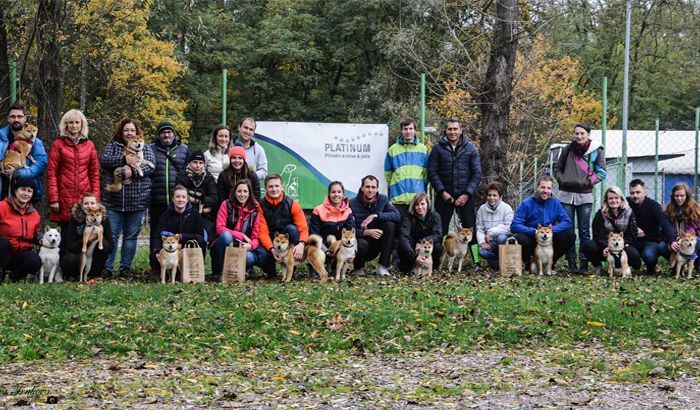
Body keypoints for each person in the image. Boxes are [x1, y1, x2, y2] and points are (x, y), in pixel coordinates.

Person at [101, 119, 155, 277]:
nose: (129, 133)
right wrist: (123, 160)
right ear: (121, 131)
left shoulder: (146, 147)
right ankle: (107, 268)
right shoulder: (113, 145)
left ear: (137, 133)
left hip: (137, 200)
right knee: (111, 235)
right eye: (126, 130)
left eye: (132, 130)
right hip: (114, 200)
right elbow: (104, 161)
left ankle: (125, 268)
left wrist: (134, 172)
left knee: (131, 237)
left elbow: (152, 164)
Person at [554, 122, 607, 274]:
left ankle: (584, 263)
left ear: (588, 134)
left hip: (585, 196)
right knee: (568, 230)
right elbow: (556, 168)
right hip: (566, 195)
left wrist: (587, 182)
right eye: (576, 133)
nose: (579, 136)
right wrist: (562, 180)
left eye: (582, 133)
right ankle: (571, 262)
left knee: (584, 231)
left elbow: (602, 173)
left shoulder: (596, 151)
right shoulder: (567, 149)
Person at [46, 109, 101, 236]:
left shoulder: (89, 145)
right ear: (66, 124)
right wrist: (54, 198)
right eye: (71, 122)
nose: (74, 125)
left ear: (82, 124)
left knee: (83, 237)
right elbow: (51, 172)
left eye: (77, 122)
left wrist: (95, 199)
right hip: (64, 196)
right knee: (65, 236)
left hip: (84, 198)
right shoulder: (58, 144)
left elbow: (94, 174)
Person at [428, 117, 482, 237]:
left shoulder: (471, 149)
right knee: (439, 231)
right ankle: (438, 256)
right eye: (450, 129)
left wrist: (467, 194)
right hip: (444, 197)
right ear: (445, 130)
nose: (453, 132)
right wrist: (442, 192)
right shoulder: (437, 149)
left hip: (465, 198)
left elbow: (477, 173)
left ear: (461, 130)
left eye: (455, 129)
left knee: (471, 233)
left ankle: (475, 256)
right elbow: (432, 172)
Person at [149, 119, 190, 271]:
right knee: (156, 234)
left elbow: (188, 172)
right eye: (163, 132)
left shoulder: (184, 149)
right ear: (159, 134)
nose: (167, 135)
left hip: (177, 202)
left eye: (169, 132)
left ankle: (179, 266)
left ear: (174, 134)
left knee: (177, 234)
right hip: (157, 199)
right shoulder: (150, 149)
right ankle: (155, 264)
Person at [511, 176, 576, 269]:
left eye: (548, 188)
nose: (545, 191)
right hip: (532, 238)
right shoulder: (526, 203)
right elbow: (514, 225)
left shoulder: (556, 203)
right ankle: (529, 263)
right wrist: (533, 231)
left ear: (551, 190)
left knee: (569, 234)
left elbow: (567, 222)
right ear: (537, 187)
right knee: (520, 239)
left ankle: (550, 262)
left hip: (549, 239)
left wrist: (551, 230)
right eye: (543, 187)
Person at [255, 173, 308, 278]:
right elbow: (262, 232)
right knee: (261, 254)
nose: (274, 189)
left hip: (288, 240)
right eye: (270, 186)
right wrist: (272, 249)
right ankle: (271, 273)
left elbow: (303, 227)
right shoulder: (260, 206)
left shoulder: (292, 203)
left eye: (277, 186)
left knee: (291, 229)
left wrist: (301, 244)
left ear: (282, 187)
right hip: (271, 240)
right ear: (265, 189)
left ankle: (291, 271)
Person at [349, 175, 401, 276]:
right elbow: (348, 229)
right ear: (362, 188)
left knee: (390, 225)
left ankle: (383, 266)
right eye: (367, 187)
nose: (370, 190)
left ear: (377, 189)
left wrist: (375, 216)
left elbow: (397, 216)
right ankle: (358, 268)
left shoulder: (384, 199)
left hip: (378, 242)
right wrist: (365, 232)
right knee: (358, 241)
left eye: (373, 187)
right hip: (362, 244)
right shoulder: (352, 204)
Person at [581, 186, 641, 275]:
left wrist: (619, 247)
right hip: (605, 247)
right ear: (606, 200)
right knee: (588, 245)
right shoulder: (600, 213)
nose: (614, 201)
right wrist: (607, 247)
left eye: (616, 198)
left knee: (634, 255)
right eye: (611, 198)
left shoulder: (629, 212)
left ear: (621, 199)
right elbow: (598, 234)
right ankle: (598, 266)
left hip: (622, 246)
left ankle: (625, 267)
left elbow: (632, 234)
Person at [212, 179, 261, 278]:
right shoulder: (226, 204)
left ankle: (243, 270)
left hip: (242, 246)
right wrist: (241, 235)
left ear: (249, 193)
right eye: (239, 191)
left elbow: (255, 237)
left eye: (245, 191)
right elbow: (219, 228)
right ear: (234, 192)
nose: (242, 194)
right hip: (224, 244)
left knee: (250, 258)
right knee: (226, 236)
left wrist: (250, 246)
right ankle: (223, 271)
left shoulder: (255, 210)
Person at [0, 103, 48, 202]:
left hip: (25, 192)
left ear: (25, 119)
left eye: (19, 116)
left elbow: (41, 164)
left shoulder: (35, 142)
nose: (16, 119)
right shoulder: (0, 138)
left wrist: (19, 173)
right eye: (13, 116)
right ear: (8, 119)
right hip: (2, 189)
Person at [60, 193, 114, 280]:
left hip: (95, 257)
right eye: (86, 203)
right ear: (81, 206)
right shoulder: (75, 219)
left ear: (97, 204)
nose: (89, 206)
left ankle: (95, 274)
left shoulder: (103, 218)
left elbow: (111, 247)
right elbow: (69, 247)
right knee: (69, 259)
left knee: (103, 244)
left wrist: (98, 237)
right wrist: (88, 239)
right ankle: (75, 275)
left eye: (92, 203)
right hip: (78, 256)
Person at [627, 179, 675, 275]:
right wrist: (633, 228)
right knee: (629, 253)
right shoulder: (626, 203)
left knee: (649, 256)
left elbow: (664, 223)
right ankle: (631, 266)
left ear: (645, 193)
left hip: (650, 240)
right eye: (632, 193)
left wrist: (672, 240)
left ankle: (651, 268)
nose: (635, 196)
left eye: (638, 192)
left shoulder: (654, 206)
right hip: (632, 240)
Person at [384, 117, 428, 218]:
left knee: (416, 231)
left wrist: (419, 186)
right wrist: (394, 186)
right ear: (401, 130)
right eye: (405, 129)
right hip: (398, 198)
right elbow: (388, 173)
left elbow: (426, 173)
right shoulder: (392, 149)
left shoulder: (423, 149)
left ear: (415, 130)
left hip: (417, 199)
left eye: (410, 128)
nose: (408, 131)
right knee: (399, 230)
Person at [153, 185, 207, 265]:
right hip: (171, 249)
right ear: (173, 199)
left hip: (188, 247)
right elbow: (158, 235)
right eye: (177, 197)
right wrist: (157, 252)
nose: (180, 200)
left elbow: (200, 235)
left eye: (183, 197)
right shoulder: (166, 214)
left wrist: (181, 236)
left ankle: (197, 266)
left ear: (187, 199)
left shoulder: (195, 214)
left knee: (200, 239)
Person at [0, 178, 41, 282]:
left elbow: (36, 233)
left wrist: (41, 238)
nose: (26, 194)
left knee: (34, 260)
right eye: (23, 189)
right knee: (3, 242)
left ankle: (14, 278)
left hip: (20, 253)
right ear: (15, 191)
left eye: (29, 191)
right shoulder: (2, 207)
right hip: (3, 251)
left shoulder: (34, 214)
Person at [397, 192, 442, 274]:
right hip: (413, 248)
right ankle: (411, 266)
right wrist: (414, 257)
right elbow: (404, 236)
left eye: (422, 204)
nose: (420, 207)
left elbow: (438, 234)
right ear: (413, 206)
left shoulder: (435, 216)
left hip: (427, 246)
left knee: (438, 247)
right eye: (417, 205)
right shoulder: (408, 217)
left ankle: (474, 258)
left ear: (427, 204)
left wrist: (420, 242)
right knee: (402, 245)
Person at [176, 150, 218, 236]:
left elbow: (214, 198)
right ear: (189, 163)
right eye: (195, 162)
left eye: (201, 163)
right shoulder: (182, 176)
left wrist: (195, 199)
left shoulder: (208, 178)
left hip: (204, 216)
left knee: (203, 236)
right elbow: (180, 196)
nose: (198, 166)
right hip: (184, 214)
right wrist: (202, 200)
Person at [476, 182, 514, 270]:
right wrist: (482, 242)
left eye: (494, 195)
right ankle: (499, 265)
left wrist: (491, 232)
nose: (491, 198)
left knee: (501, 238)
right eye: (489, 195)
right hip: (490, 243)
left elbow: (510, 227)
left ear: (500, 197)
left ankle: (502, 263)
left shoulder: (506, 208)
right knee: (481, 251)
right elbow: (480, 229)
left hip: (504, 241)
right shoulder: (482, 209)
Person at [665, 183, 700, 270]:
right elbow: (667, 227)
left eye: (682, 196)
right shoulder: (669, 208)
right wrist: (673, 239)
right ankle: (676, 265)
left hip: (689, 237)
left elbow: (694, 225)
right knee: (662, 246)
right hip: (674, 238)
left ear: (687, 196)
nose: (679, 198)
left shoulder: (694, 207)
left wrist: (684, 237)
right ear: (673, 196)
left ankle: (697, 264)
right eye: (676, 196)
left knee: (697, 242)